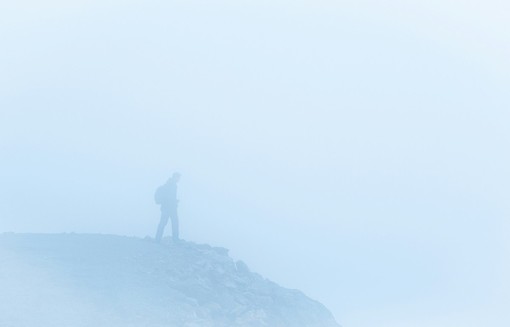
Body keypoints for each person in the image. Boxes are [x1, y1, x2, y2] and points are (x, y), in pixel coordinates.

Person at [154, 172, 181, 243]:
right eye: (178, 177)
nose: (179, 179)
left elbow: (169, 197)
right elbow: (170, 197)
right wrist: (174, 202)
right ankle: (175, 239)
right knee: (174, 223)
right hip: (170, 208)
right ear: (175, 177)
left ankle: (157, 239)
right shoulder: (172, 185)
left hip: (166, 207)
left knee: (163, 223)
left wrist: (175, 201)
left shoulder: (169, 184)